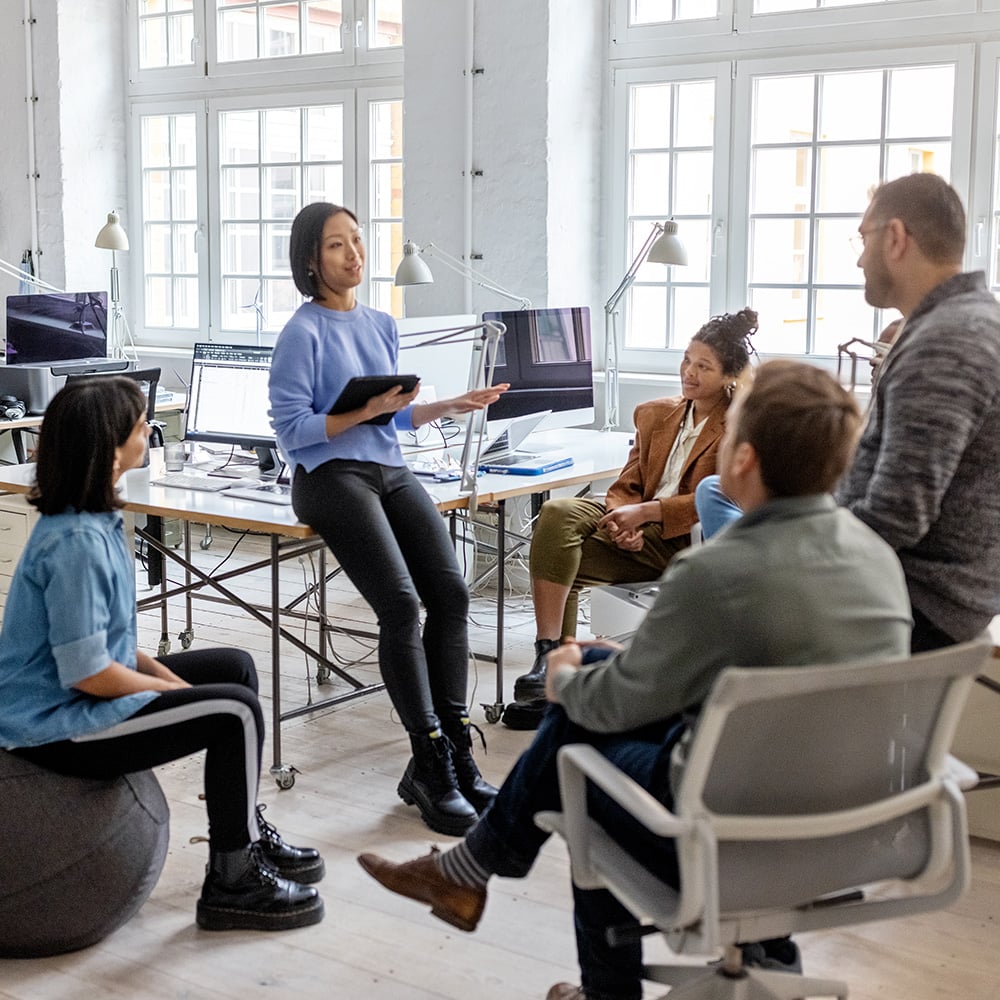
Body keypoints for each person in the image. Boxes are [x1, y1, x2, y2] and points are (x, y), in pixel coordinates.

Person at [357, 360, 911, 1000]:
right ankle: (766, 960)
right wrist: (601, 667)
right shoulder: (875, 558)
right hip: (853, 829)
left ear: (744, 460)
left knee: (577, 757)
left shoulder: (717, 573)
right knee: (597, 672)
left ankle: (569, 960)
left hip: (727, 830)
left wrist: (564, 675)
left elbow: (614, 707)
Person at [0, 376, 325, 933]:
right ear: (108, 445)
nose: (148, 429)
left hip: (79, 692)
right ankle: (233, 882)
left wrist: (172, 685)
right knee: (234, 713)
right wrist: (168, 692)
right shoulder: (74, 542)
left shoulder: (98, 518)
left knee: (234, 670)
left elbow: (118, 649)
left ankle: (243, 831)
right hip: (55, 725)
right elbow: (89, 674)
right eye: (138, 424)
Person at [268, 202, 509, 836]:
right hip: (327, 476)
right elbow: (293, 432)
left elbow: (391, 418)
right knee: (401, 607)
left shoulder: (380, 323)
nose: (354, 254)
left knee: (452, 595)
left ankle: (455, 745)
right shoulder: (302, 332)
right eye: (337, 246)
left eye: (357, 241)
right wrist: (365, 410)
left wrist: (445, 406)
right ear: (310, 260)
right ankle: (427, 760)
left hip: (386, 467)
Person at [503, 309, 758, 730]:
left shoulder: (739, 426)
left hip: (682, 542)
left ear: (730, 376)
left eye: (703, 366)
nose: (689, 373)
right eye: (686, 360)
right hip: (634, 527)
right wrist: (623, 519)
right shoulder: (655, 414)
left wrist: (648, 513)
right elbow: (628, 481)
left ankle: (556, 678)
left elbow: (721, 497)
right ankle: (549, 655)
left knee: (558, 556)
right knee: (557, 515)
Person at [838, 172, 1000, 652]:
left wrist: (791, 550)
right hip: (913, 598)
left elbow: (896, 513)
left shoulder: (947, 342)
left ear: (895, 237)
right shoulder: (963, 320)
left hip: (907, 608)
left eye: (863, 237)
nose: (859, 258)